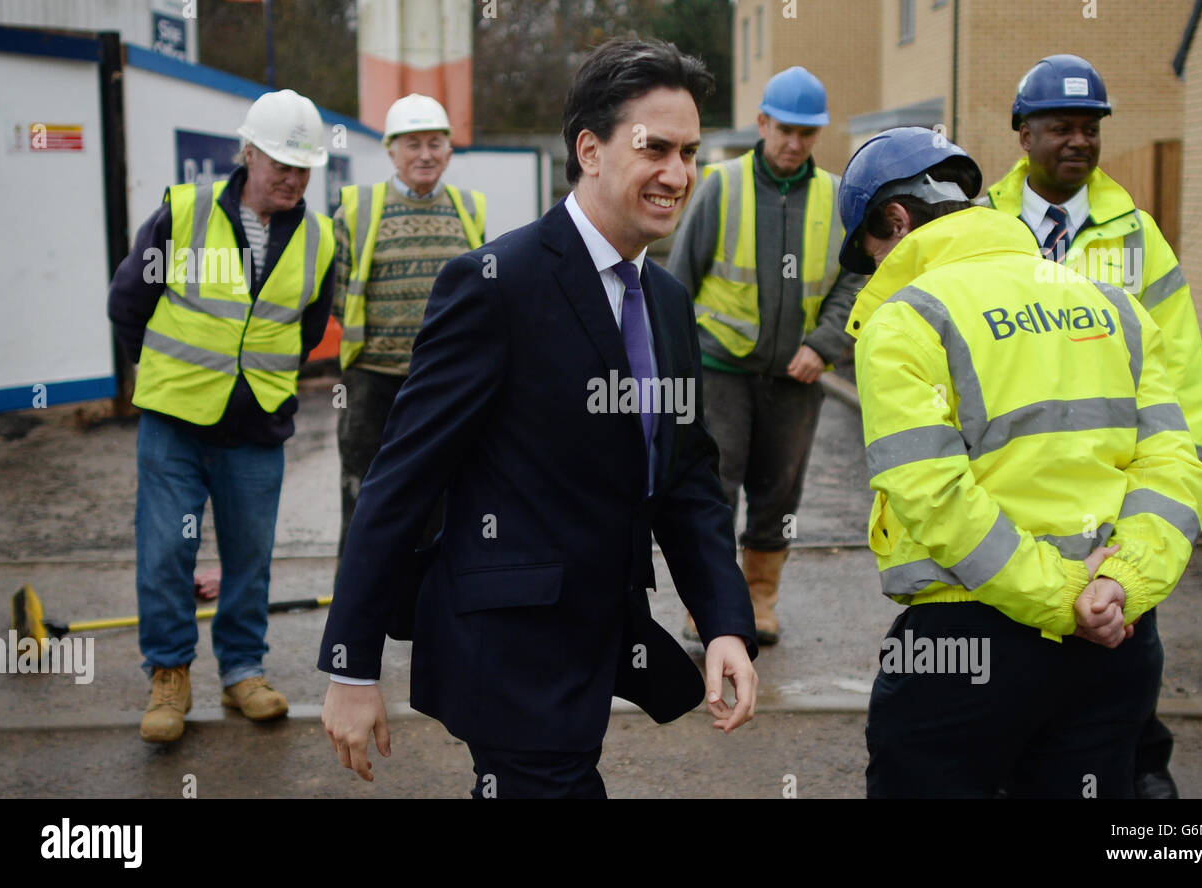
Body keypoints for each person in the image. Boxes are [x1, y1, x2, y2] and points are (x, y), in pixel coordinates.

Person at [318, 38, 759, 799]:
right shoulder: (497, 285)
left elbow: (685, 475)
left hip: (602, 635)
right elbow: (399, 481)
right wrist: (351, 665)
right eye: (655, 147)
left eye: (690, 152)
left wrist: (723, 621)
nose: (679, 174)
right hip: (509, 650)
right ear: (589, 149)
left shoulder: (670, 304)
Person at [839, 127, 1202, 798]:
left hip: (966, 638)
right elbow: (1174, 466)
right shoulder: (1114, 307)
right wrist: (1118, 583)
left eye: (869, 255)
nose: (875, 273)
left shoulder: (908, 319)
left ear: (894, 220)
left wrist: (1060, 598)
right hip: (1117, 637)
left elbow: (935, 495)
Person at [987, 54, 1202, 798]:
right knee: (1020, 643)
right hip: (1013, 488)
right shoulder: (981, 229)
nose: (1078, 142)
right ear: (1024, 133)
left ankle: (1140, 766)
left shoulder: (1137, 235)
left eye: (1090, 129)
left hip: (1116, 489)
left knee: (1121, 636)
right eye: (1060, 127)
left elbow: (1179, 363)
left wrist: (1176, 481)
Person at [107, 89, 335, 743]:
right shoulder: (186, 214)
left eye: (303, 167)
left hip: (256, 426)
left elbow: (308, 327)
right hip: (175, 421)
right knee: (165, 552)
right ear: (247, 153)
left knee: (249, 556)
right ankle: (169, 675)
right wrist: (155, 378)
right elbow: (129, 303)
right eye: (279, 163)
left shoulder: (318, 239)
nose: (292, 178)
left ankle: (242, 672)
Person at [667, 66, 864, 645]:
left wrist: (824, 346)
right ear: (761, 123)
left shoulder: (836, 196)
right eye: (785, 130)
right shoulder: (720, 186)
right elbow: (679, 280)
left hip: (796, 377)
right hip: (720, 369)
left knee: (779, 493)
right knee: (713, 489)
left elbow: (855, 284)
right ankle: (708, 605)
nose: (795, 144)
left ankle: (758, 602)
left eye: (807, 134)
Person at [332, 93, 485, 567]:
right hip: (371, 382)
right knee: (365, 493)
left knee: (441, 497)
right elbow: (339, 293)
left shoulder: (470, 209)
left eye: (435, 143)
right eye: (412, 143)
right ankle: (358, 605)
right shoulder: (357, 209)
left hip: (443, 382)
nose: (425, 154)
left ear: (449, 151)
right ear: (391, 150)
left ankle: (427, 605)